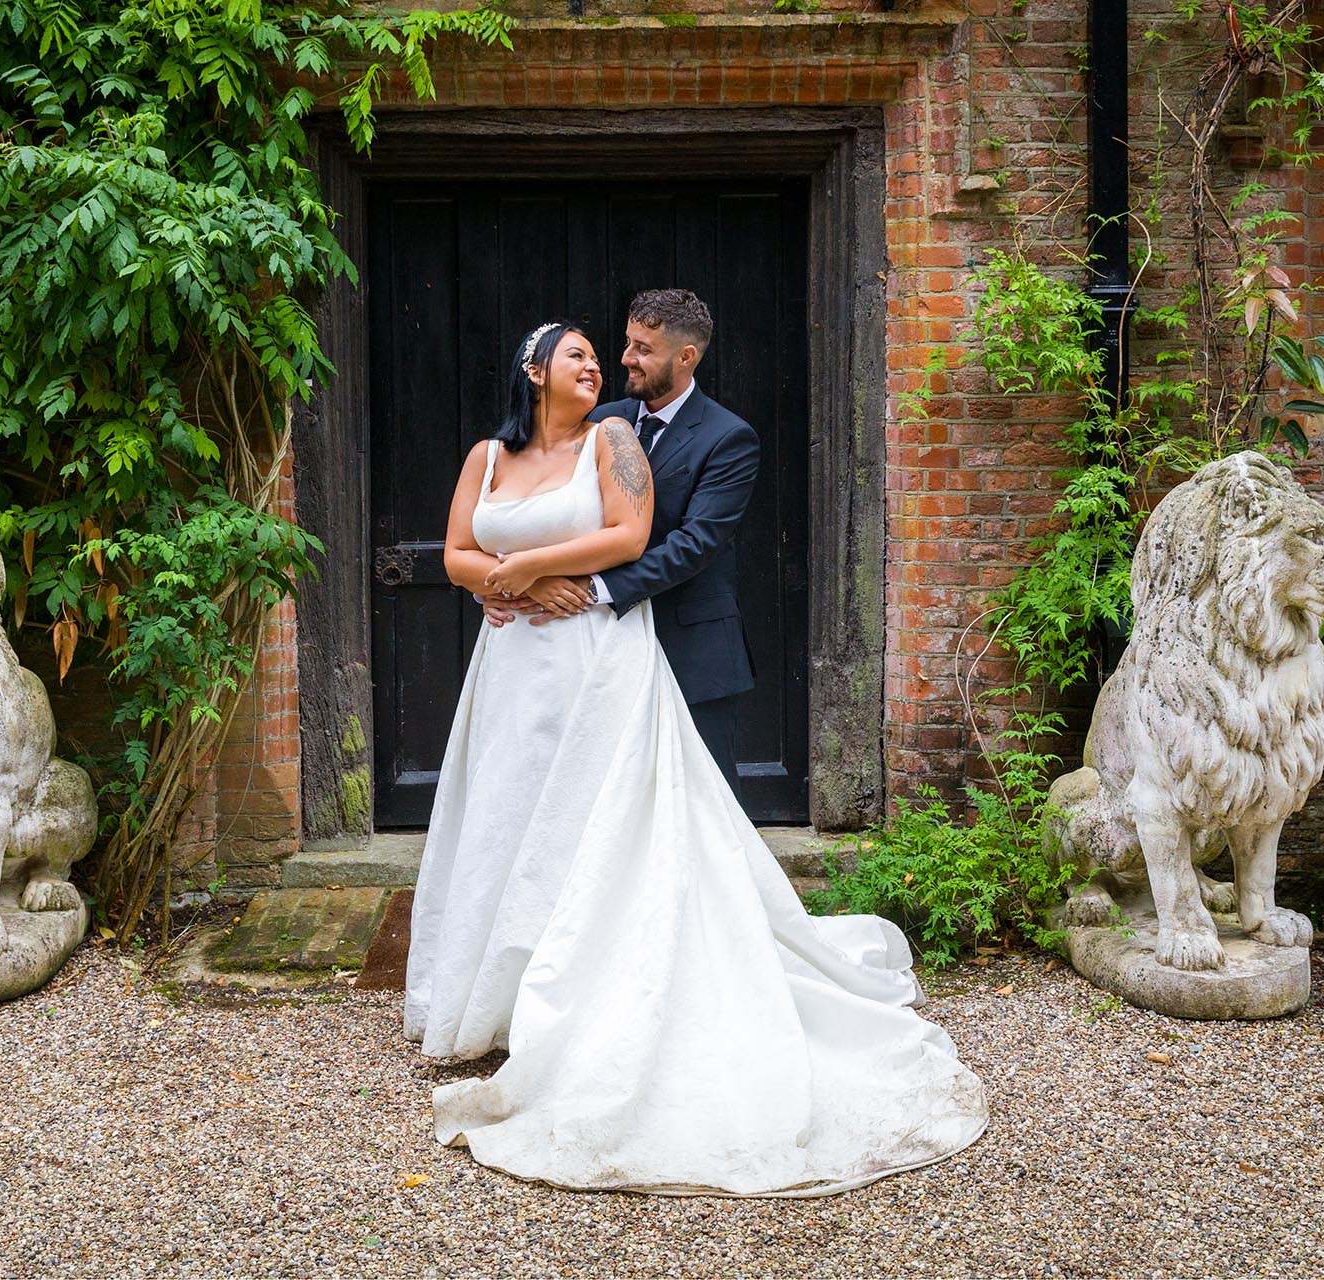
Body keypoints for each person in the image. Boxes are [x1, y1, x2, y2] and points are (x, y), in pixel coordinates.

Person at [403, 318, 988, 1197]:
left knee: (610, 828)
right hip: (514, 667)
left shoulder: (621, 439)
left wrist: (526, 569)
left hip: (598, 655)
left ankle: (593, 1000)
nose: (605, 364)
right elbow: (454, 552)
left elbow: (639, 538)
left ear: (684, 352)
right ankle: (498, 996)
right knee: (505, 816)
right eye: (584, 355)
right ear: (532, 371)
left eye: (615, 354)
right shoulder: (489, 454)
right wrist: (496, 580)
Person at [482, 290, 756, 794]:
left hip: (687, 646)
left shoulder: (728, 438)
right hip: (593, 652)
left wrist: (585, 588)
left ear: (685, 356)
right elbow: (543, 509)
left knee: (700, 802)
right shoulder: (600, 420)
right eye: (628, 343)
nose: (625, 358)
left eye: (642, 349)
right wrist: (503, 581)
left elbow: (693, 545)